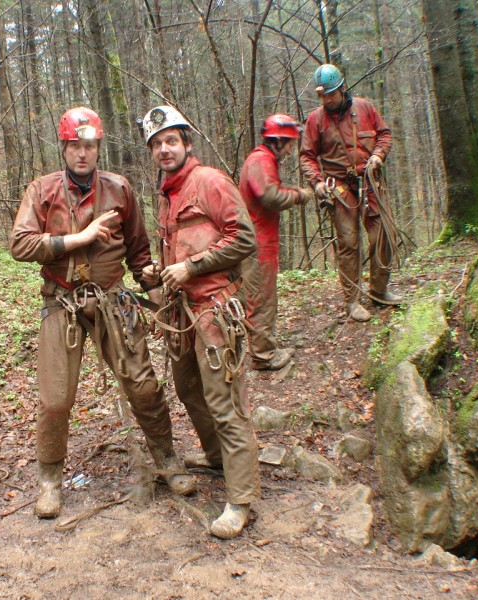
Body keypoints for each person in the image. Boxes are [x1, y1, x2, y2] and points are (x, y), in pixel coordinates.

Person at [9, 107, 196, 519]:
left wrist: (157, 294)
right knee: (55, 398)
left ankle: (166, 459)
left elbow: (139, 250)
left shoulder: (119, 188)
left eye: (89, 146)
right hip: (61, 301)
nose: (82, 154)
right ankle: (50, 480)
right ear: (64, 148)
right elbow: (20, 245)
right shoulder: (42, 190)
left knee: (143, 385)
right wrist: (78, 239)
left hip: (113, 300)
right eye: (75, 146)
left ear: (98, 148)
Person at [139, 105, 261, 539]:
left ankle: (241, 499)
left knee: (225, 401)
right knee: (190, 390)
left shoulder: (208, 181)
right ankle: (216, 457)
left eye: (171, 140)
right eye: (156, 144)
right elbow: (181, 245)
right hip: (181, 313)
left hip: (213, 309)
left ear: (187, 143)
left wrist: (192, 267)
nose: (164, 149)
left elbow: (243, 239)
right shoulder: (166, 193)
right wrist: (161, 270)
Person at [300, 63, 401, 322]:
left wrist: (378, 156)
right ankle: (352, 301)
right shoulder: (315, 120)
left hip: (370, 183)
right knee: (348, 244)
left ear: (342, 88)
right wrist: (317, 182)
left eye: (330, 94)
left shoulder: (365, 108)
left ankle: (379, 290)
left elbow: (385, 135)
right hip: (340, 189)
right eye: (322, 96)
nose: (327, 100)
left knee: (383, 236)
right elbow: (307, 157)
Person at [239, 114, 314, 370]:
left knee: (262, 296)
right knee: (261, 298)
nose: (292, 149)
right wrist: (299, 195)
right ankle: (262, 355)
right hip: (257, 242)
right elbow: (270, 196)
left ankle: (264, 347)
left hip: (260, 239)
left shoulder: (264, 160)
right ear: (278, 141)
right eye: (290, 144)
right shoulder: (261, 159)